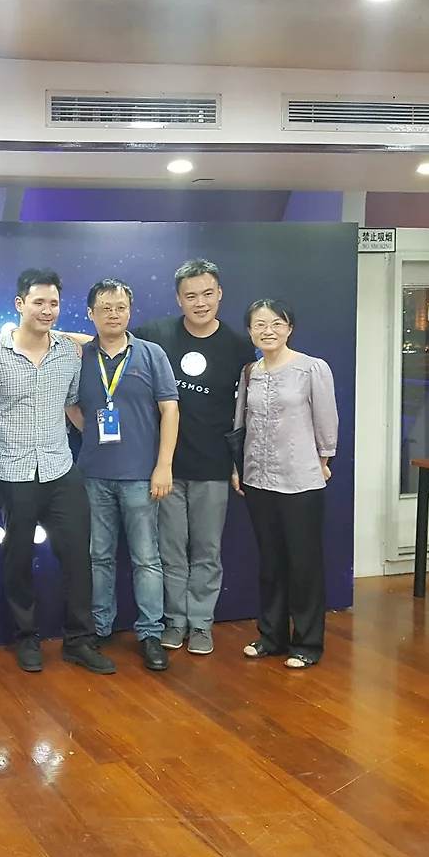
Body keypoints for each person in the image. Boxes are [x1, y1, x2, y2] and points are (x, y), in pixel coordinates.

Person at [0, 269, 115, 675]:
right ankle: (26, 637)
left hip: (60, 469)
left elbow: (72, 403)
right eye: (38, 302)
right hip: (13, 471)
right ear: (20, 304)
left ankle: (79, 640)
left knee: (78, 557)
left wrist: (98, 440)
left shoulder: (68, 353)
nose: (47, 310)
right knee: (18, 560)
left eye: (53, 303)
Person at [134, 259, 256, 656]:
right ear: (178, 299)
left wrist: (238, 463)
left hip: (213, 466)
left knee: (206, 551)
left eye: (207, 294)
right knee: (170, 551)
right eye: (191, 296)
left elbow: (246, 411)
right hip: (165, 467)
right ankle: (175, 621)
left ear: (219, 293)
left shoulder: (239, 346)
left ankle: (201, 623)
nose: (200, 303)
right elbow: (108, 339)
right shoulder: (156, 335)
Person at [67, 279, 178, 672]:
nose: (113, 314)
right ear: (90, 313)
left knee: (146, 558)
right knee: (98, 556)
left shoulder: (151, 354)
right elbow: (71, 404)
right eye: (105, 308)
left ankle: (150, 632)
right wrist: (90, 433)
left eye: (120, 307)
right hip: (93, 475)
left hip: (141, 476)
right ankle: (100, 627)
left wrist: (163, 465)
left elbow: (170, 410)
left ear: (129, 311)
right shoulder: (79, 357)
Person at [232, 299, 338, 669]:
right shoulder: (250, 372)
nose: (268, 331)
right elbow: (239, 424)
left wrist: (323, 461)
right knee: (271, 562)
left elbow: (327, 421)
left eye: (277, 323)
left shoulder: (311, 368)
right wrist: (238, 467)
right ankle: (271, 636)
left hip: (300, 480)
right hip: (258, 479)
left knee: (304, 563)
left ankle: (307, 643)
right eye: (260, 325)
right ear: (250, 331)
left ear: (289, 328)